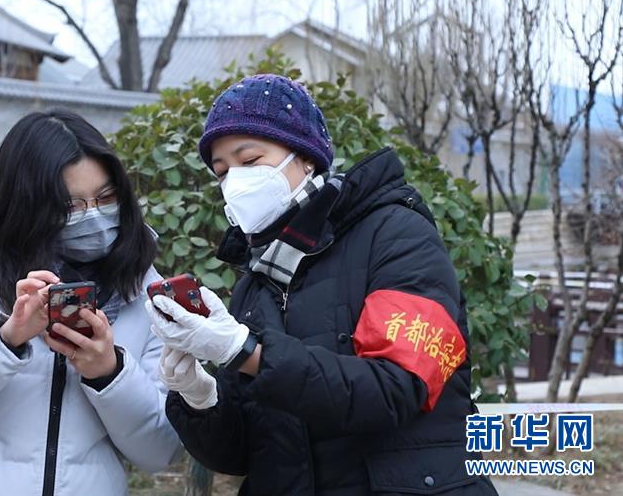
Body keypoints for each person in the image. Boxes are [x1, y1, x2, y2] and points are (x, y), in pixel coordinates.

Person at [145, 74, 497, 495]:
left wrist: (246, 352)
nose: (234, 182)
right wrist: (200, 398)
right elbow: (242, 455)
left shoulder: (396, 235)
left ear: (306, 158)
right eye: (222, 172)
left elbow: (398, 389)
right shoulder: (255, 282)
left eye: (249, 160)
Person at [0, 109, 180, 495]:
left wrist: (109, 373)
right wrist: (5, 340)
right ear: (27, 205)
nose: (94, 217)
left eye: (106, 198)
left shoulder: (142, 288)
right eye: (71, 206)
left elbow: (161, 451)